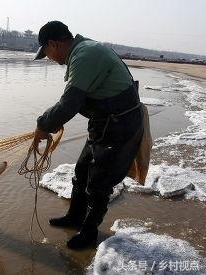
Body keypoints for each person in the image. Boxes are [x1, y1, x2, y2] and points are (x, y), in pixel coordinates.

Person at [33, 21, 143, 250]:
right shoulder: (81, 52)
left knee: (98, 182)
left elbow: (69, 104)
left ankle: (89, 233)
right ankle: (75, 217)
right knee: (81, 171)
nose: (50, 58)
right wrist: (47, 123)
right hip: (103, 123)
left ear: (53, 44)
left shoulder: (84, 55)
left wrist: (43, 125)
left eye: (47, 53)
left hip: (119, 125)